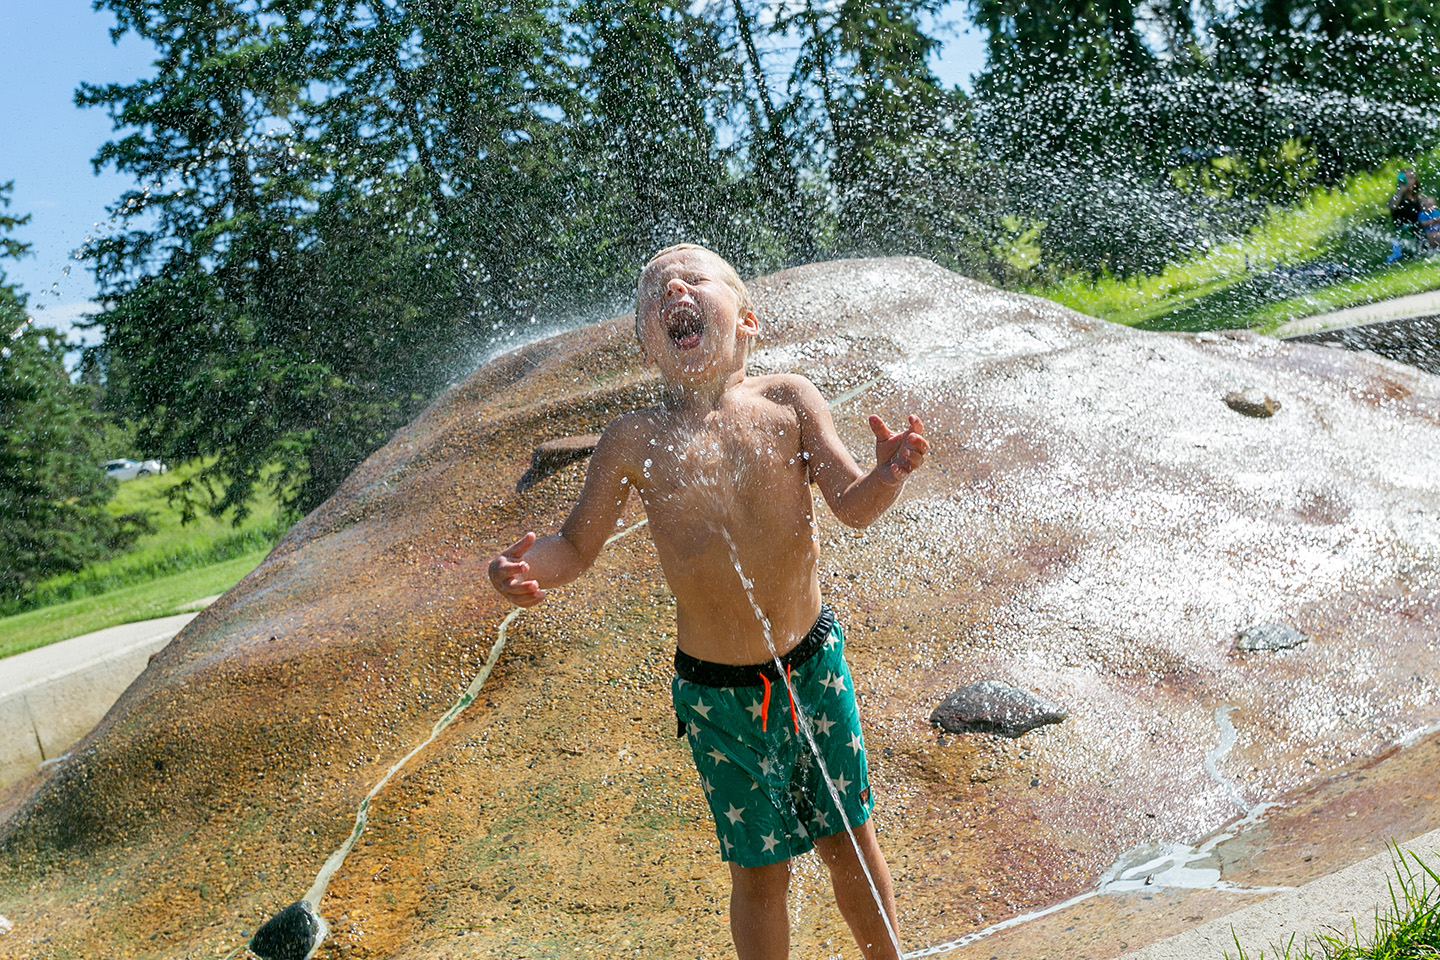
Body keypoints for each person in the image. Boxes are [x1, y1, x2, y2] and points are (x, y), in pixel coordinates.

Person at [488, 243, 929, 960]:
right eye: (657, 290)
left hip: (812, 671)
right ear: (646, 345)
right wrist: (517, 566)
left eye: (693, 279)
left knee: (849, 841)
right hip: (717, 697)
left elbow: (851, 503)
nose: (674, 289)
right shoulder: (632, 439)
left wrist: (889, 474)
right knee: (759, 875)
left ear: (746, 321)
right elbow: (572, 547)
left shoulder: (786, 402)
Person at [1388, 169, 1422, 262]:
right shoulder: (1398, 197)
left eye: (1411, 178)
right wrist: (1401, 191)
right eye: (1407, 178)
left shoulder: (1417, 197)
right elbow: (1392, 207)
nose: (1410, 181)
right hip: (1403, 232)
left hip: (1418, 230)